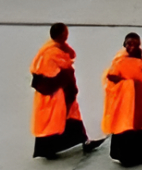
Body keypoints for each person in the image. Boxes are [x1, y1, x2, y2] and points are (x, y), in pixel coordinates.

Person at [30, 23, 100, 158]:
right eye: (65, 33)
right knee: (57, 120)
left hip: (52, 93)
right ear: (62, 35)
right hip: (56, 93)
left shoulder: (48, 49)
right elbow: (65, 67)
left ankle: (81, 141)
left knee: (60, 119)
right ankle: (51, 149)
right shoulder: (53, 53)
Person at [102, 31, 142, 167]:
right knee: (126, 125)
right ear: (124, 45)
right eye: (129, 44)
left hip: (138, 98)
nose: (132, 46)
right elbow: (111, 77)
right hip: (124, 101)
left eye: (135, 44)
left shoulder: (138, 58)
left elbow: (141, 73)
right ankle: (126, 157)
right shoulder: (119, 60)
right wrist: (129, 84)